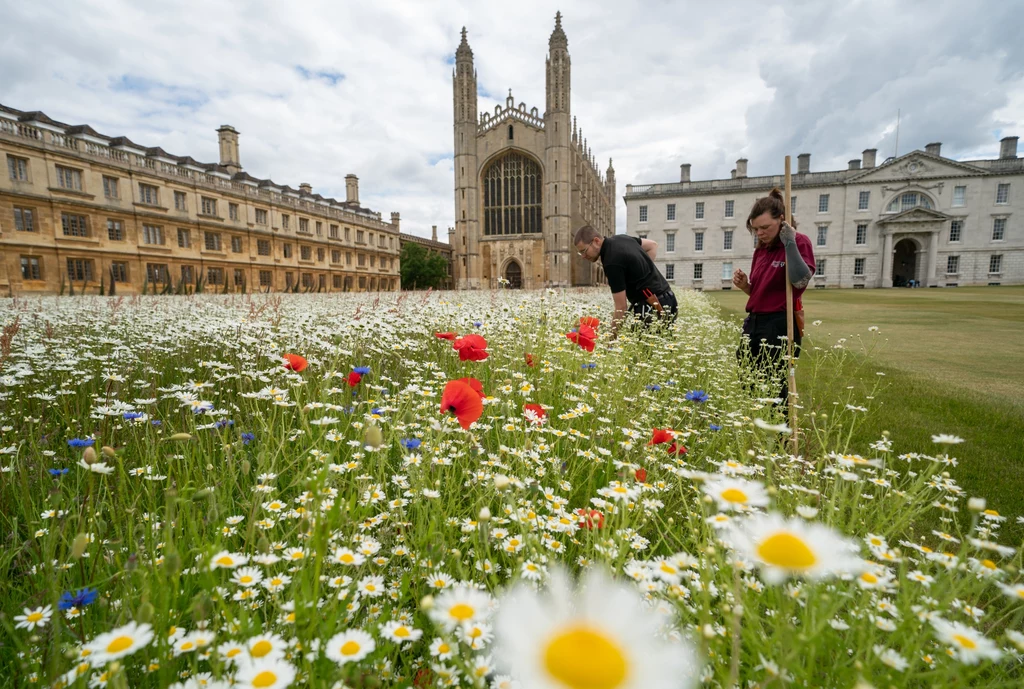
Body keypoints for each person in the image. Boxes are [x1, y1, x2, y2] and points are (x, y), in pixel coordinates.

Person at [732, 188, 815, 409]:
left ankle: (782, 439)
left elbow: (800, 281)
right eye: (755, 228)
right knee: (748, 380)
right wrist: (746, 286)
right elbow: (761, 293)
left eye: (765, 227)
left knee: (775, 386)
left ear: (781, 220)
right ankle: (756, 431)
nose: (759, 233)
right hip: (755, 322)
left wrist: (790, 243)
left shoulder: (799, 242)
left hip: (780, 324)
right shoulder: (761, 250)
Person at [573, 224, 678, 337]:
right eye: (580, 253)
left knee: (643, 352)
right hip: (669, 300)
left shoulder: (611, 261)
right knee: (663, 348)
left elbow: (621, 308)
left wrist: (610, 340)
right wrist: (644, 273)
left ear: (596, 241)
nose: (583, 256)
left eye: (584, 251)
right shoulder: (622, 238)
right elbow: (652, 245)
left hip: (651, 307)